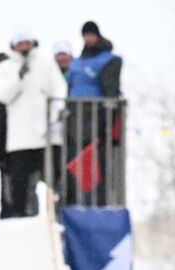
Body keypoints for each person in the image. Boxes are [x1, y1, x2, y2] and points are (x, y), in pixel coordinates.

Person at [0, 27, 66, 218]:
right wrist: (19, 77)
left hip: (46, 132)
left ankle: (56, 212)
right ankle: (20, 213)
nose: (24, 47)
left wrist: (55, 115)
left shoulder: (46, 65)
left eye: (27, 43)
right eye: (20, 44)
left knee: (53, 176)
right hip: (20, 135)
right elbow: (2, 95)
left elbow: (59, 90)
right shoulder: (7, 68)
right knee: (20, 179)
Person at [64, 21, 123, 206]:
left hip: (98, 121)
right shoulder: (76, 63)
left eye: (91, 35)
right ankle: (78, 201)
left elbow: (111, 90)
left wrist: (109, 120)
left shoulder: (109, 60)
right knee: (77, 165)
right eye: (86, 35)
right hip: (76, 122)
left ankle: (100, 202)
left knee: (99, 165)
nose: (88, 38)